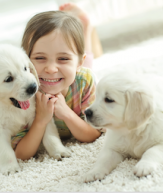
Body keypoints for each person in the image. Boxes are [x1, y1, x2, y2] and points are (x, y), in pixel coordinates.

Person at [12, 4, 102, 160]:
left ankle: (85, 29)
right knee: (67, 71)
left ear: (78, 63)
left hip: (77, 75)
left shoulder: (85, 81)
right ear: (24, 60)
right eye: (40, 58)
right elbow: (20, 154)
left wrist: (66, 113)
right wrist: (41, 119)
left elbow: (93, 134)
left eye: (63, 58)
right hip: (66, 75)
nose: (51, 69)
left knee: (85, 70)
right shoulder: (23, 92)